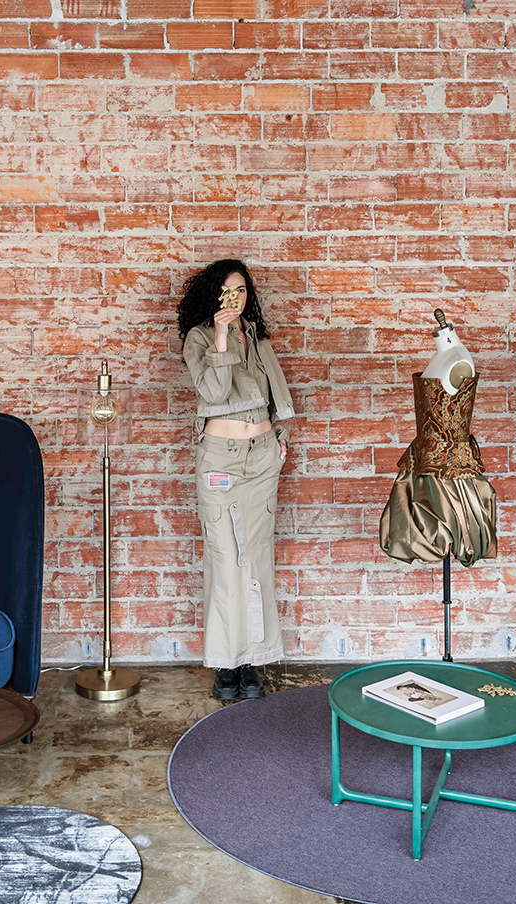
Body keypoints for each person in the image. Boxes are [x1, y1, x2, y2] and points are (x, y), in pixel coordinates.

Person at [178, 260, 294, 701]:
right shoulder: (200, 338)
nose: (236, 297)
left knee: (257, 559)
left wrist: (279, 440)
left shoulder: (258, 339)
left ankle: (251, 662)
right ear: (215, 296)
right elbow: (212, 393)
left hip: (262, 458)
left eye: (242, 290)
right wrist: (222, 335)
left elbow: (273, 398)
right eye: (228, 290)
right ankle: (225, 664)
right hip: (220, 461)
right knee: (225, 561)